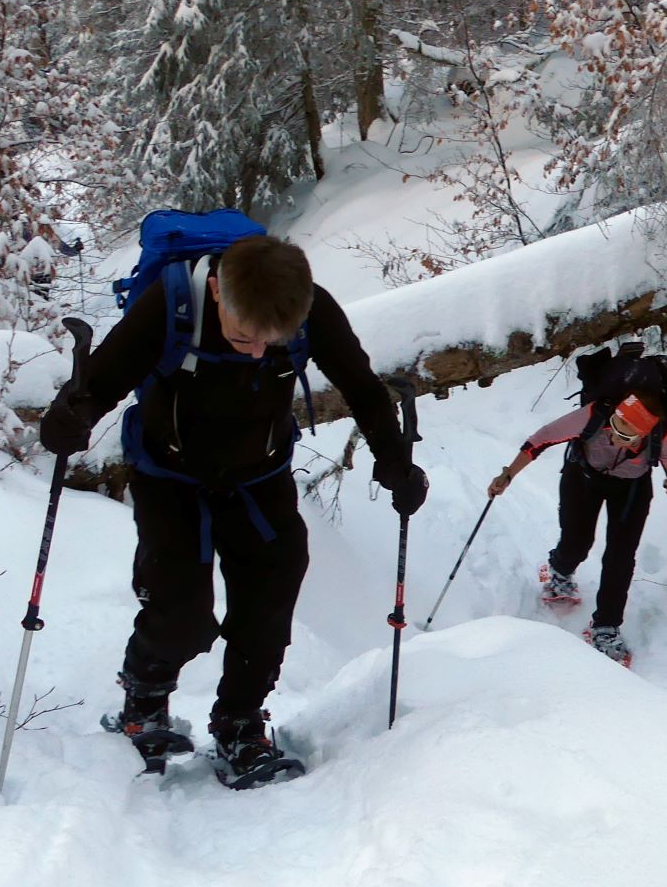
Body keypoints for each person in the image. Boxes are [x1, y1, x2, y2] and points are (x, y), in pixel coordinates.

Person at [39, 235, 428, 785]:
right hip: (170, 475)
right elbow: (103, 378)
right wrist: (70, 417)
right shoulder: (173, 304)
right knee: (181, 614)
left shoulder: (310, 308)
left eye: (271, 344)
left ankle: (240, 724)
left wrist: (395, 463)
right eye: (244, 337)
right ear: (218, 292)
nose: (254, 352)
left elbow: (362, 389)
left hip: (259, 476)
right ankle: (142, 703)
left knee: (272, 597)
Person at [487, 389, 667, 665]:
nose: (612, 432)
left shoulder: (659, 434)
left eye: (624, 432)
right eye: (616, 422)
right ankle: (560, 569)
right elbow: (540, 440)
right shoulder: (595, 415)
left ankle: (606, 626)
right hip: (583, 476)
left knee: (620, 558)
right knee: (577, 541)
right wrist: (508, 474)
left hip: (631, 487)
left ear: (644, 433)